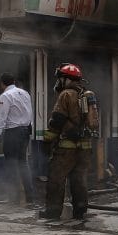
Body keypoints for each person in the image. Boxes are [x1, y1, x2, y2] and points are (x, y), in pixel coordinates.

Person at [42, 63, 92, 224]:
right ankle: (80, 210)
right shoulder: (86, 95)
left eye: (60, 79)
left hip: (66, 148)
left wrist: (47, 140)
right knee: (79, 179)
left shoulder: (66, 94)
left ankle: (52, 212)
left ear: (66, 79)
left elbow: (57, 121)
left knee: (56, 178)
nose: (59, 82)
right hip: (84, 147)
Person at [0, 72, 36, 206]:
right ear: (13, 82)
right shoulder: (25, 93)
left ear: (2, 84)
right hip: (25, 131)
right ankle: (30, 196)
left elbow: (1, 118)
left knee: (11, 164)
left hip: (13, 132)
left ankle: (13, 197)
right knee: (23, 163)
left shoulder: (5, 96)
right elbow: (30, 114)